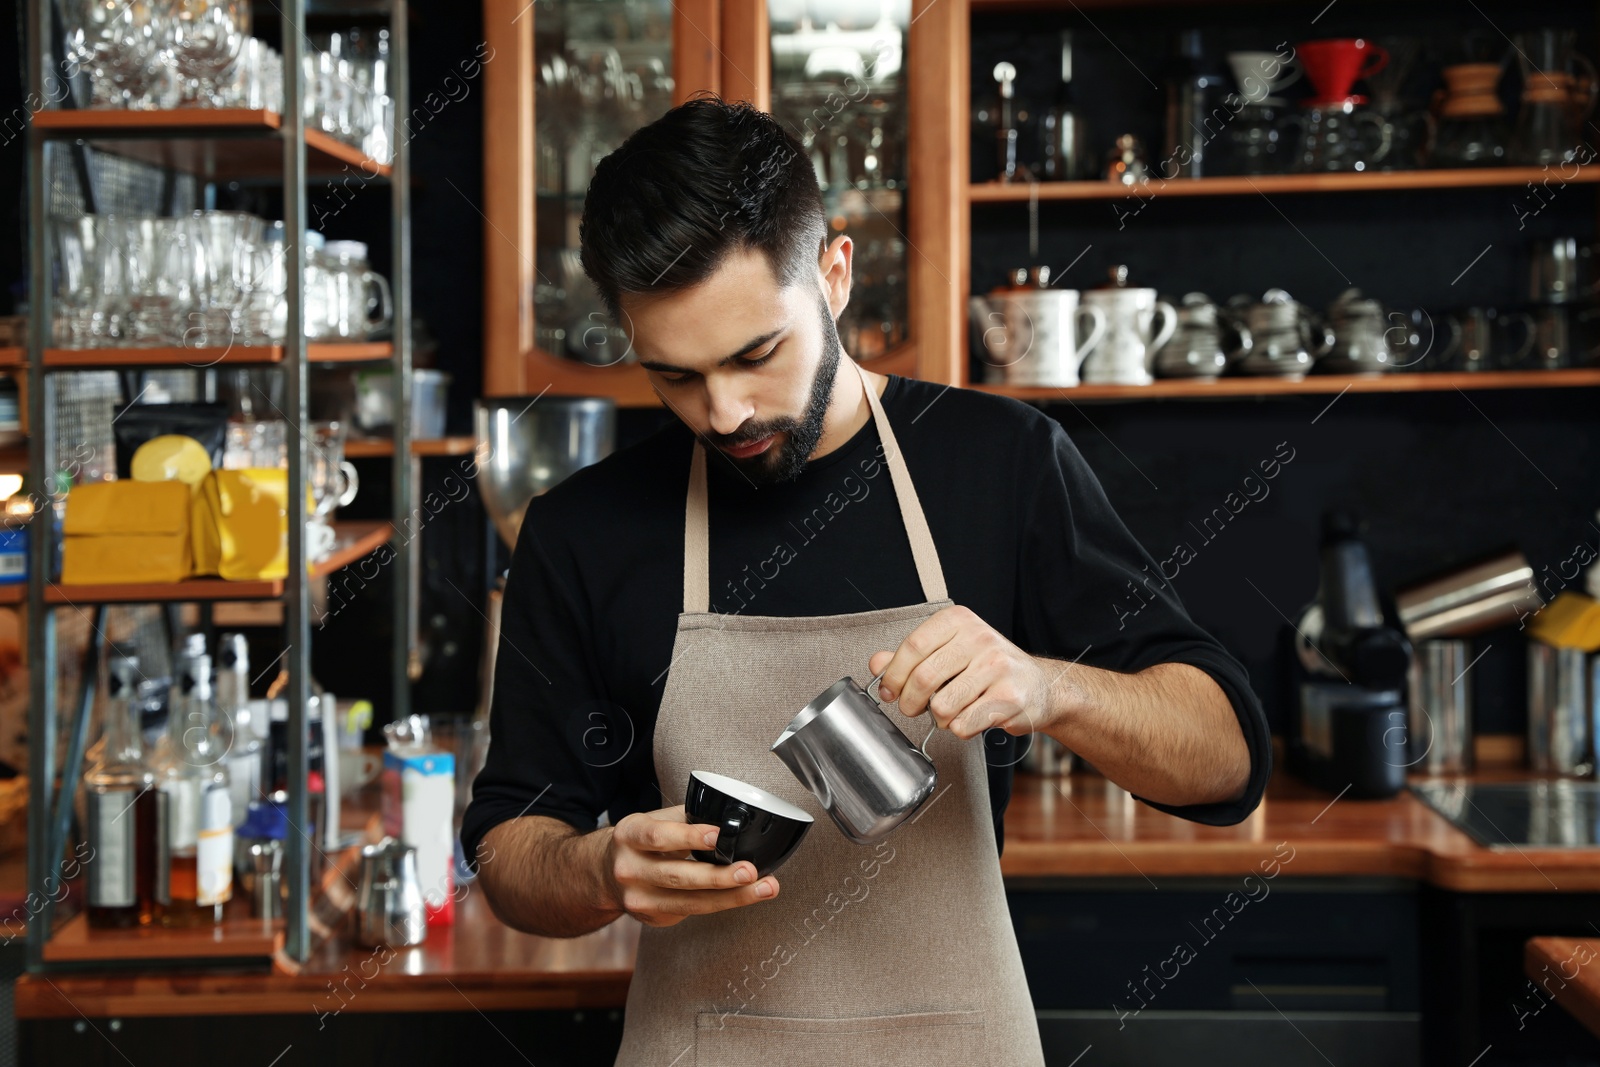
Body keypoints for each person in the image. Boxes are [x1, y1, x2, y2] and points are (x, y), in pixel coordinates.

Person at [463, 95, 1270, 1065]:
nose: (723, 413)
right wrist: (596, 867)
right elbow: (511, 845)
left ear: (834, 275)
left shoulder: (1001, 463)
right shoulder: (584, 529)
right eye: (672, 375)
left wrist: (1046, 685)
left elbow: (1224, 761)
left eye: (755, 353)